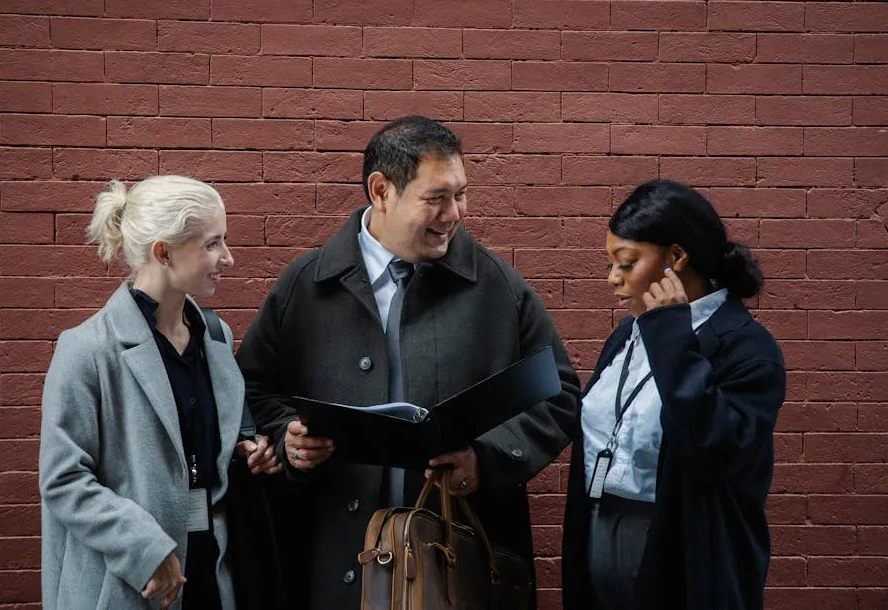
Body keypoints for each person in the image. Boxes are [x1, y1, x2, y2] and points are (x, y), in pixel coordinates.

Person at [235, 115, 580, 610]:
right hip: (334, 561)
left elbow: (561, 393)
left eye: (460, 194)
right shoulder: (306, 285)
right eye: (436, 198)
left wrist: (487, 459)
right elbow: (252, 389)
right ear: (381, 191)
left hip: (454, 569)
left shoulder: (495, 287)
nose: (454, 213)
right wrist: (289, 436)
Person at [39, 175, 281, 609]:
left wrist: (245, 450)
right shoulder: (87, 349)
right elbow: (63, 480)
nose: (228, 257)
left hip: (211, 570)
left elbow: (204, 447)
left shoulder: (215, 336)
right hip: (128, 582)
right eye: (212, 243)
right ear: (163, 252)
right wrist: (146, 549)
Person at [561, 179, 787, 610]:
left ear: (676, 258)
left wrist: (672, 336)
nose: (612, 278)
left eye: (626, 263)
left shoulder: (748, 349)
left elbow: (713, 448)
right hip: (598, 528)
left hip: (680, 550)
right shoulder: (629, 331)